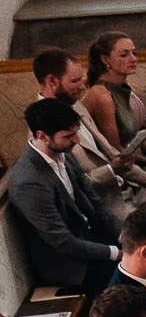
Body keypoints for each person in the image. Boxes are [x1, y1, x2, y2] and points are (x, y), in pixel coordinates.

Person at [4, 99, 120, 295]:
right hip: (70, 265)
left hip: (91, 238)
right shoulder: (29, 181)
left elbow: (95, 203)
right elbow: (62, 242)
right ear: (42, 136)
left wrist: (122, 235)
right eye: (68, 136)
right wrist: (116, 253)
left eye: (76, 133)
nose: (76, 140)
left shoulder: (63, 152)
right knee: (136, 274)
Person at [31, 49, 146, 219]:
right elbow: (71, 187)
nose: (83, 86)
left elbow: (109, 151)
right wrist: (111, 169)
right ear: (52, 81)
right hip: (106, 205)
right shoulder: (41, 130)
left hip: (129, 188)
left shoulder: (74, 104)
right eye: (75, 81)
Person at [81, 34, 146, 183]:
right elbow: (115, 152)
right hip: (127, 172)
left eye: (134, 53)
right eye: (124, 55)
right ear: (106, 60)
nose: (133, 59)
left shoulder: (121, 88)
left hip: (138, 160)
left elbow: (132, 130)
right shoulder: (102, 96)